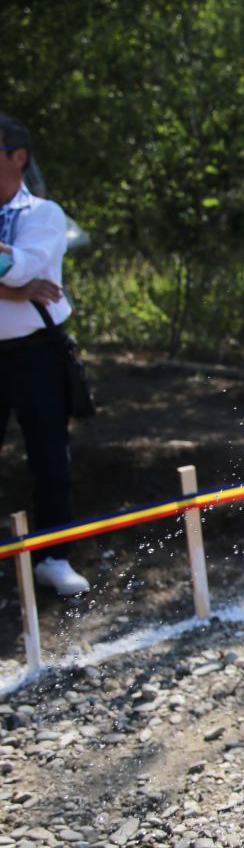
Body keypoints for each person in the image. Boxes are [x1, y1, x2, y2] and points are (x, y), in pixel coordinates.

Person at [0, 115, 87, 596]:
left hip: (36, 353)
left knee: (50, 456)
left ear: (18, 157)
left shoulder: (43, 214)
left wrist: (13, 284)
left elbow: (20, 268)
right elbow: (15, 279)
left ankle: (54, 556)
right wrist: (12, 290)